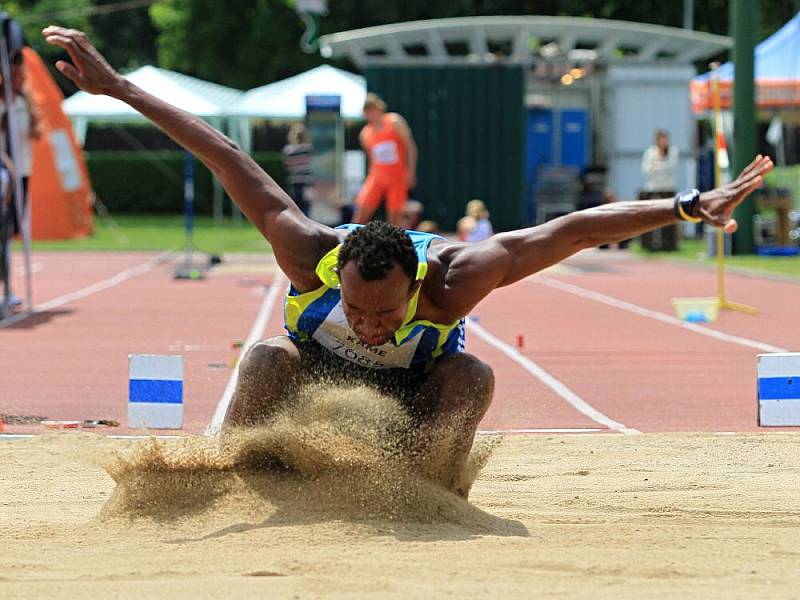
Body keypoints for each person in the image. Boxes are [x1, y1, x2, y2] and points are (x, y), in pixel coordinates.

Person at [42, 27, 773, 496]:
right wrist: (118, 88)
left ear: (417, 285)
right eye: (356, 309)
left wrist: (683, 207)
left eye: (383, 313)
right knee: (264, 357)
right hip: (311, 383)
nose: (365, 324)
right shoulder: (307, 255)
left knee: (473, 374)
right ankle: (240, 472)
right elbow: (227, 153)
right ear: (336, 279)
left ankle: (426, 494)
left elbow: (570, 229)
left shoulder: (458, 280)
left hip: (409, 405)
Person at [0, 61, 41, 308]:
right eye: (15, 76)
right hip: (3, 172)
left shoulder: (24, 102)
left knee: (8, 233)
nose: (20, 80)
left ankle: (8, 288)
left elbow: (35, 134)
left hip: (21, 172)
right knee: (2, 231)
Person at [353, 93, 417, 227]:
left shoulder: (394, 121)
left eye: (373, 109)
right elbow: (372, 160)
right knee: (361, 211)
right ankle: (350, 242)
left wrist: (410, 172)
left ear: (379, 108)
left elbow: (410, 147)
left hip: (397, 176)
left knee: (394, 218)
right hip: (377, 177)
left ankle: (391, 245)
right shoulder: (365, 133)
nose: (371, 114)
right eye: (367, 111)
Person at [282, 123, 312, 216]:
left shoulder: (288, 150)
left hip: (294, 182)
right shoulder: (309, 149)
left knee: (297, 208)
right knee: (307, 207)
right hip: (307, 182)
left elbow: (287, 167)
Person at [641, 129, 678, 194]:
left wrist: (656, 164)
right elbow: (646, 170)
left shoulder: (672, 151)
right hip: (652, 189)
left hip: (668, 189)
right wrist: (661, 165)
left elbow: (671, 167)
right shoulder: (650, 152)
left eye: (665, 139)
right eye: (661, 139)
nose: (663, 142)